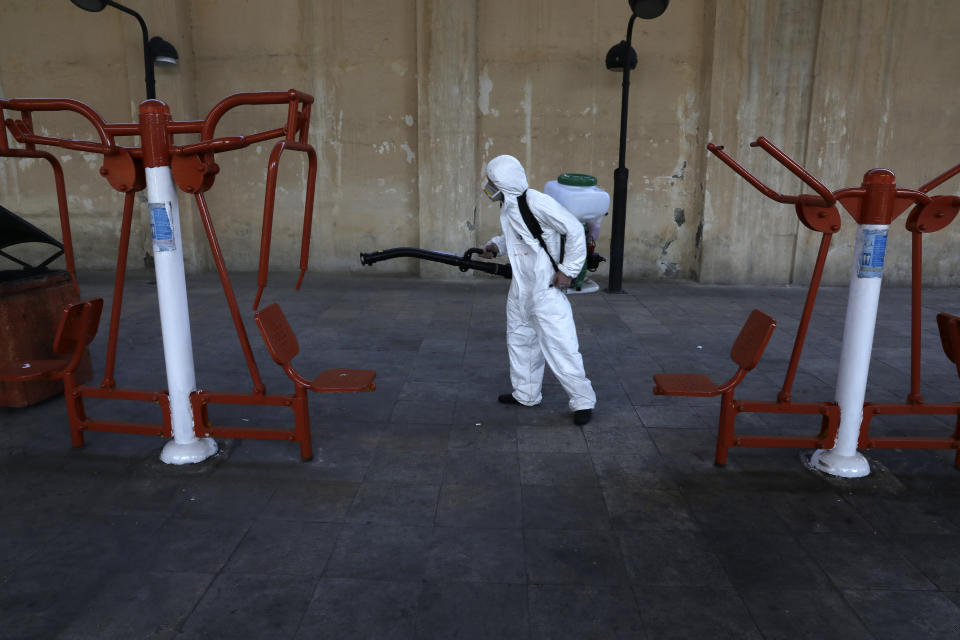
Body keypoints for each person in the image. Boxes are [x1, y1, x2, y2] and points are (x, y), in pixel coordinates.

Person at [480, 154, 596, 425]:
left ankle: (583, 401)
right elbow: (517, 238)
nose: (487, 186)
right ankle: (526, 393)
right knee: (521, 341)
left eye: (490, 181)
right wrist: (495, 246)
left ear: (502, 181)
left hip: (546, 289)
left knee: (561, 346)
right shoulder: (508, 207)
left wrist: (567, 270)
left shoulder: (537, 202)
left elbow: (574, 231)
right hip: (521, 288)